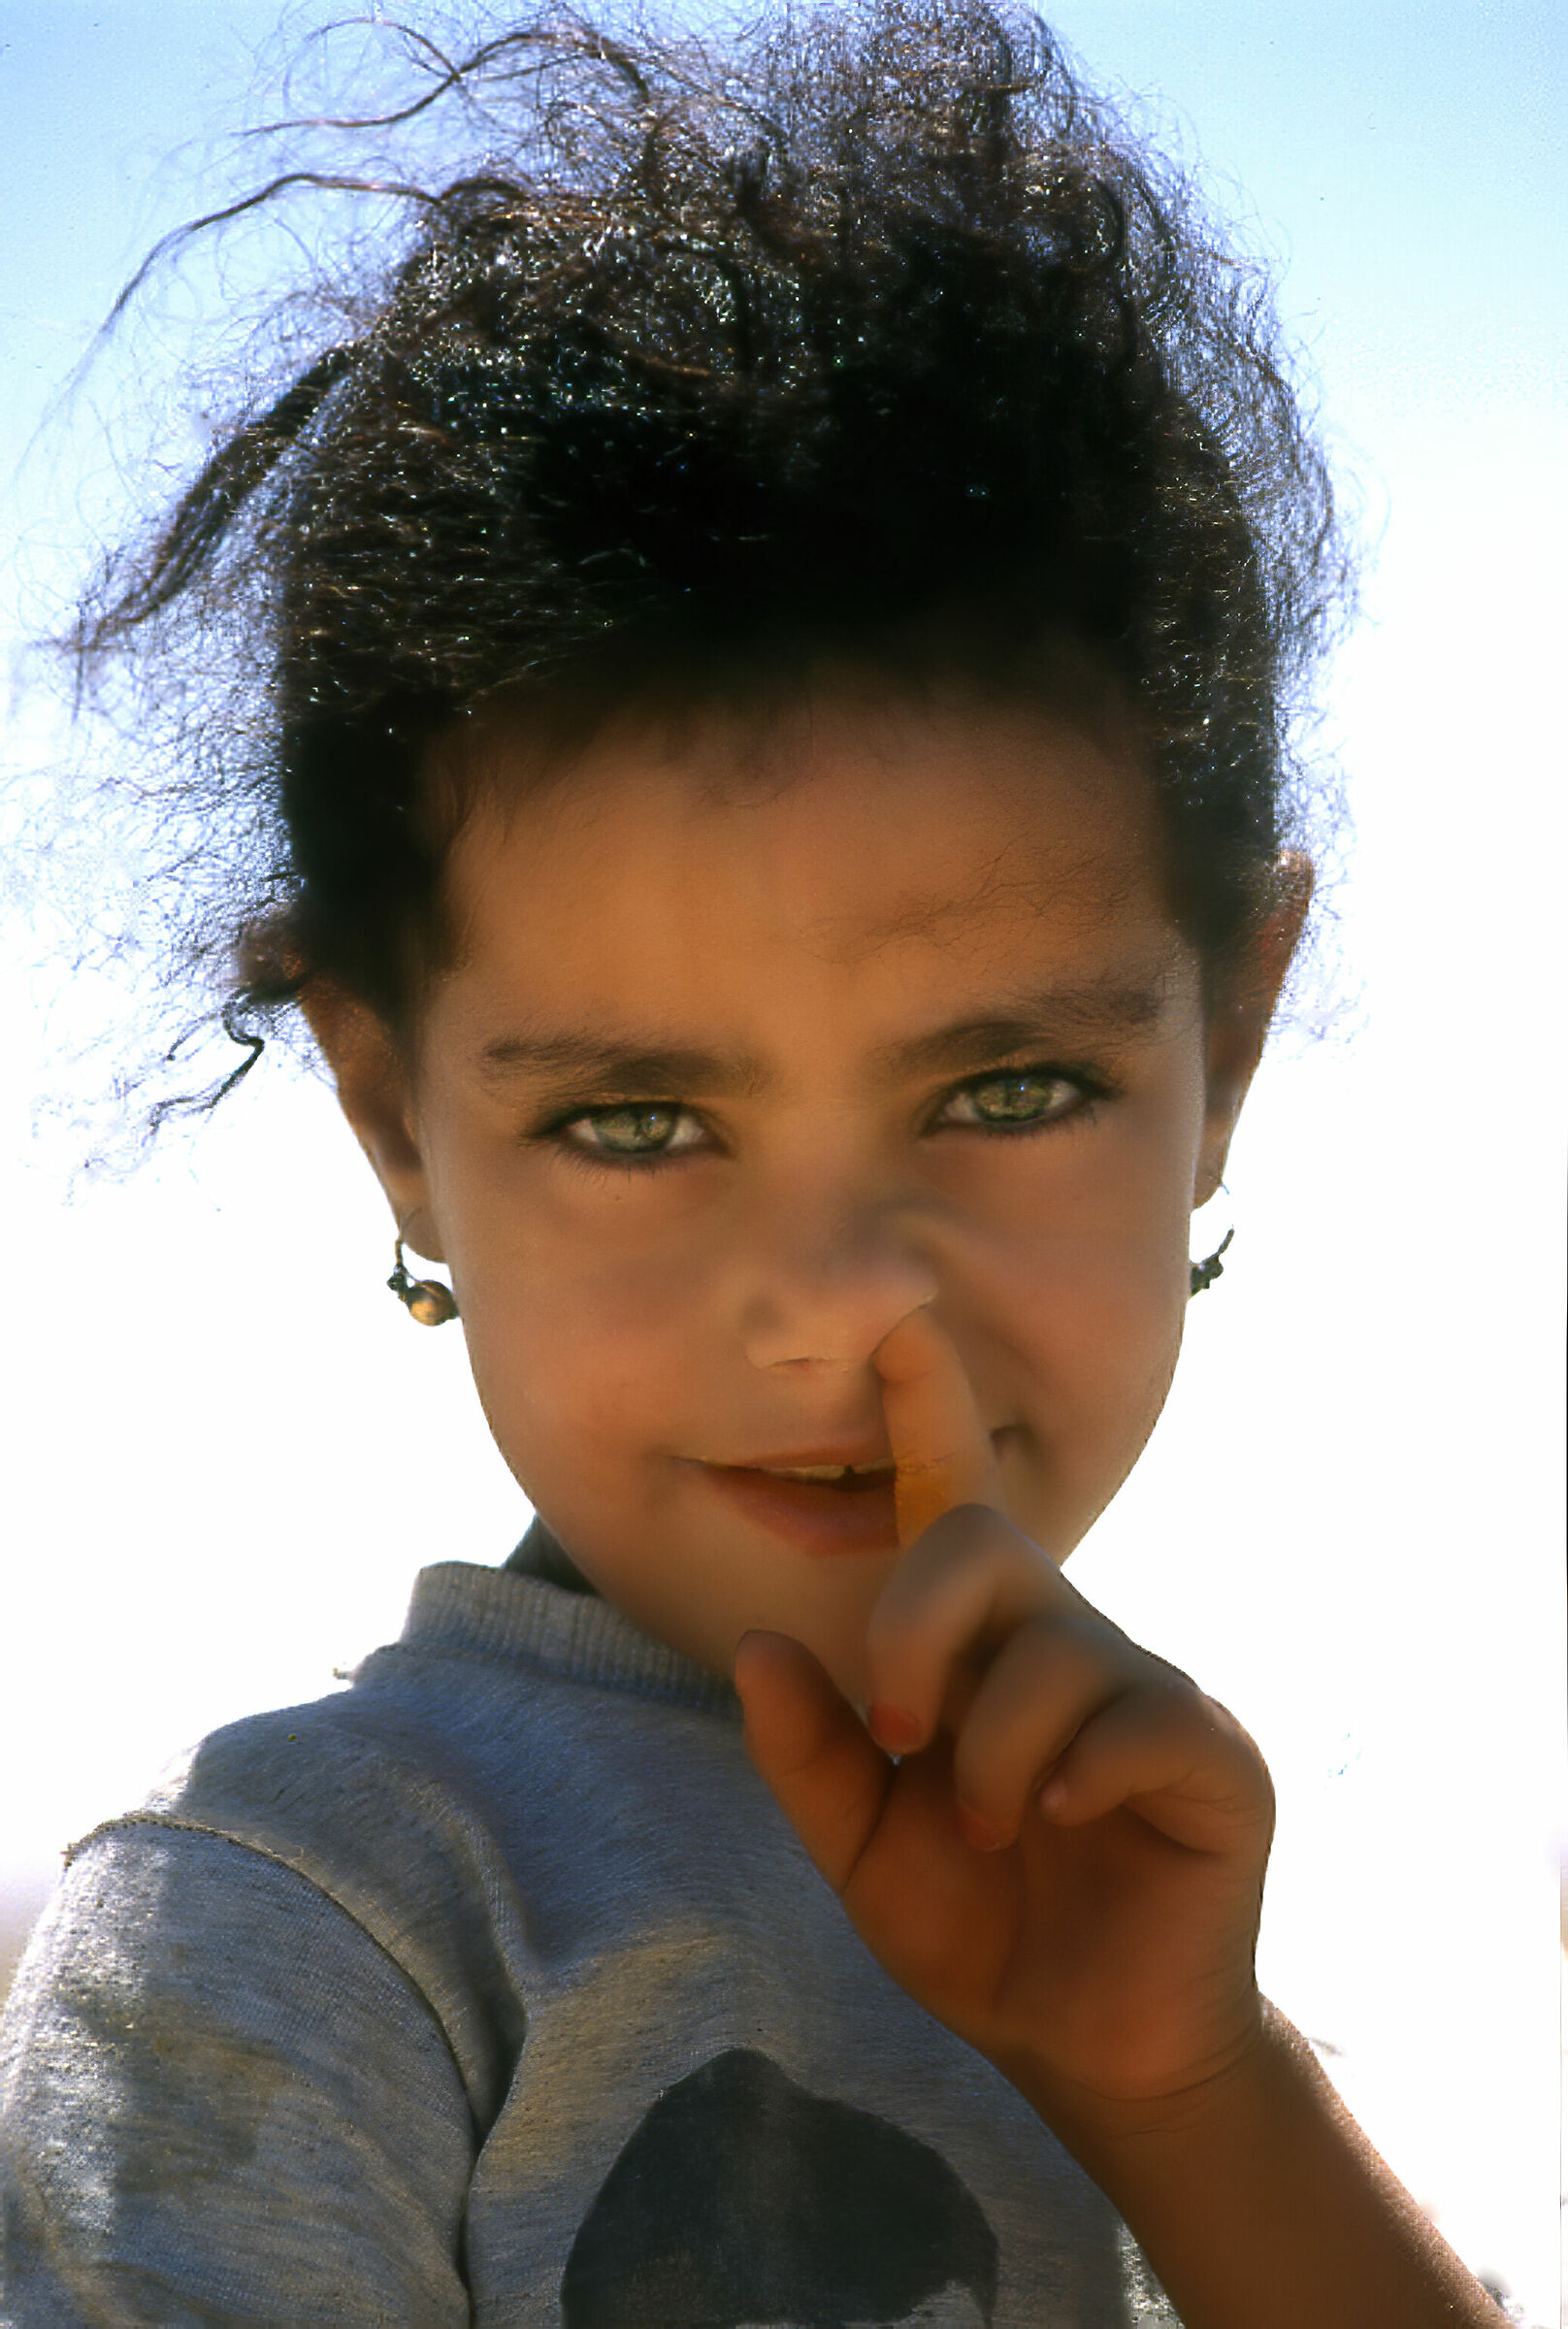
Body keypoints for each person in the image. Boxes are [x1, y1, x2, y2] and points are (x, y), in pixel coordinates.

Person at [0, 6, 1511, 2323]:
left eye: (1005, 1090)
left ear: (1233, 1033)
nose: (835, 1300)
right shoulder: (297, 1914)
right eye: (635, 1121)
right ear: (398, 1120)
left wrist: (1196, 2088)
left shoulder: (1133, 1865)